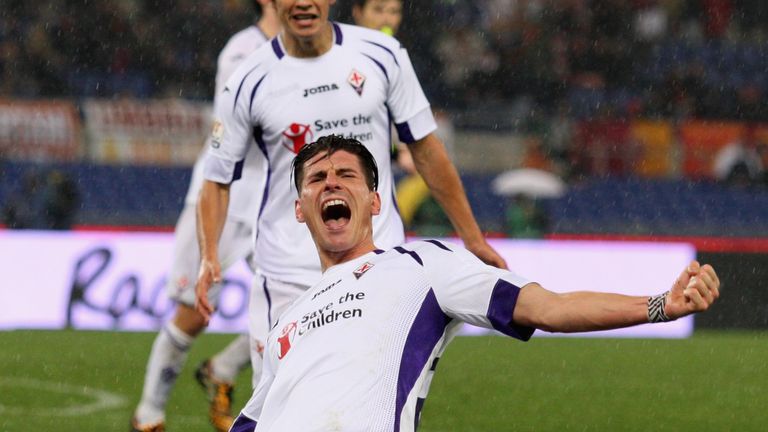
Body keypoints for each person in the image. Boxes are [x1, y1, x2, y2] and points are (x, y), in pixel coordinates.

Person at [229, 135, 720, 431]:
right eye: (316, 178)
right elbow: (252, 420)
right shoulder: (287, 320)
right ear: (299, 208)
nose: (330, 183)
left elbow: (548, 307)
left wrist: (658, 305)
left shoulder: (422, 265)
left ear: (376, 202)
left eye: (345, 175)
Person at [195, 0, 506, 422]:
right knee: (277, 414)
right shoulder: (248, 79)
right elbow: (216, 178)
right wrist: (209, 255)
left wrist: (471, 236)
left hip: (379, 266)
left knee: (376, 406)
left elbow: (426, 148)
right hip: (288, 274)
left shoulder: (382, 55)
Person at [130, 2, 280, 432]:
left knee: (299, 306)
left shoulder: (306, 52)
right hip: (221, 195)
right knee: (194, 313)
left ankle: (225, 368)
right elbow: (234, 125)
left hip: (273, 201)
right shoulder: (242, 50)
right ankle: (149, 414)